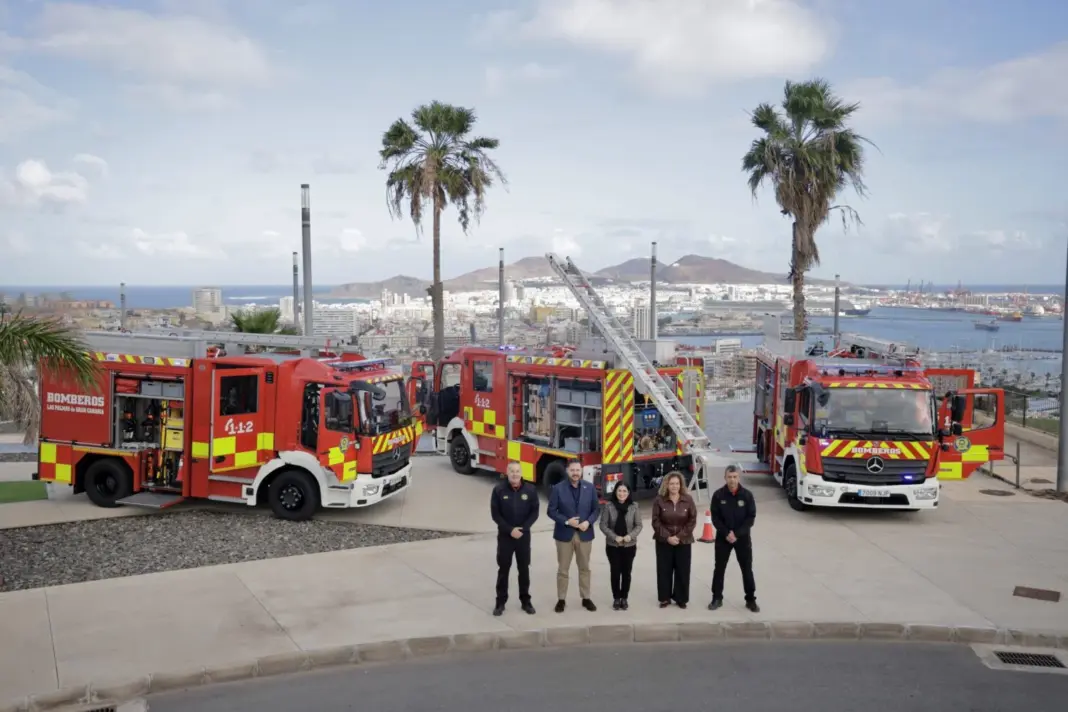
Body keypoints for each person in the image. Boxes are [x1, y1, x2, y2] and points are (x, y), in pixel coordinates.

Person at [547, 459, 599, 612]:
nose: (575, 473)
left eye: (578, 470)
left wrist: (588, 522)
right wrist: (567, 522)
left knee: (584, 568)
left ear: (581, 471)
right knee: (563, 569)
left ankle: (586, 597)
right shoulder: (558, 489)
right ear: (567, 471)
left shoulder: (589, 488)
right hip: (564, 535)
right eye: (572, 470)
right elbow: (551, 511)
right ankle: (561, 599)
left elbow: (596, 510)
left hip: (584, 534)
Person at [490, 461, 540, 616]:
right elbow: (495, 515)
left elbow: (534, 512)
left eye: (517, 471)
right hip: (505, 537)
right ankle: (500, 602)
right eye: (511, 470)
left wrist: (523, 529)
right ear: (507, 472)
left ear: (521, 472)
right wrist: (510, 530)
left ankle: (526, 601)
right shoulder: (499, 490)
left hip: (523, 537)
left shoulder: (530, 490)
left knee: (523, 570)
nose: (515, 473)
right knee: (503, 569)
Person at [709, 464, 759, 613]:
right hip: (723, 538)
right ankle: (717, 598)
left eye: (735, 477)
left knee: (747, 569)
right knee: (719, 568)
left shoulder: (747, 495)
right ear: (725, 478)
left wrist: (737, 534)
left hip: (742, 539)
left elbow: (751, 518)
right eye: (729, 477)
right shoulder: (718, 495)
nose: (732, 480)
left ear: (739, 477)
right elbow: (715, 518)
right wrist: (726, 533)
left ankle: (750, 599)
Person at [650, 471, 698, 608]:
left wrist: (679, 536)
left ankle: (681, 598)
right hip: (664, 541)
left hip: (684, 541)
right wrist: (668, 537)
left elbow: (692, 520)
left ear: (681, 485)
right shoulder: (659, 500)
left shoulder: (688, 499)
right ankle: (664, 598)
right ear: (666, 485)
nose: (674, 486)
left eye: (677, 483)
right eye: (672, 483)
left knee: (683, 570)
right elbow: (655, 521)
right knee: (664, 570)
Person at [598, 482, 642, 610]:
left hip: (629, 545)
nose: (622, 494)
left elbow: (638, 525)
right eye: (619, 491)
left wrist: (630, 536)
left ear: (628, 493)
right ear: (615, 492)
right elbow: (603, 525)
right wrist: (614, 537)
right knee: (615, 572)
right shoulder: (608, 506)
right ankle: (616, 598)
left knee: (626, 573)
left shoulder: (634, 506)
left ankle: (624, 598)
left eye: (624, 491)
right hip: (613, 546)